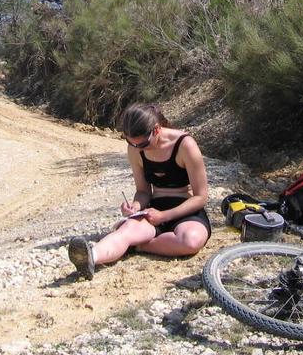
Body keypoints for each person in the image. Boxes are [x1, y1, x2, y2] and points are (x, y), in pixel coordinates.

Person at [67, 103, 211, 280]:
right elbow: (143, 191)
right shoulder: (136, 149)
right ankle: (91, 258)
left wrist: (165, 216)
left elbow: (201, 196)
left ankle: (138, 246)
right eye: (130, 143)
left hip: (185, 209)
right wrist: (135, 206)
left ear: (156, 130)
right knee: (125, 232)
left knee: (191, 241)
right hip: (152, 210)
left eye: (143, 143)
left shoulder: (184, 145)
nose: (138, 148)